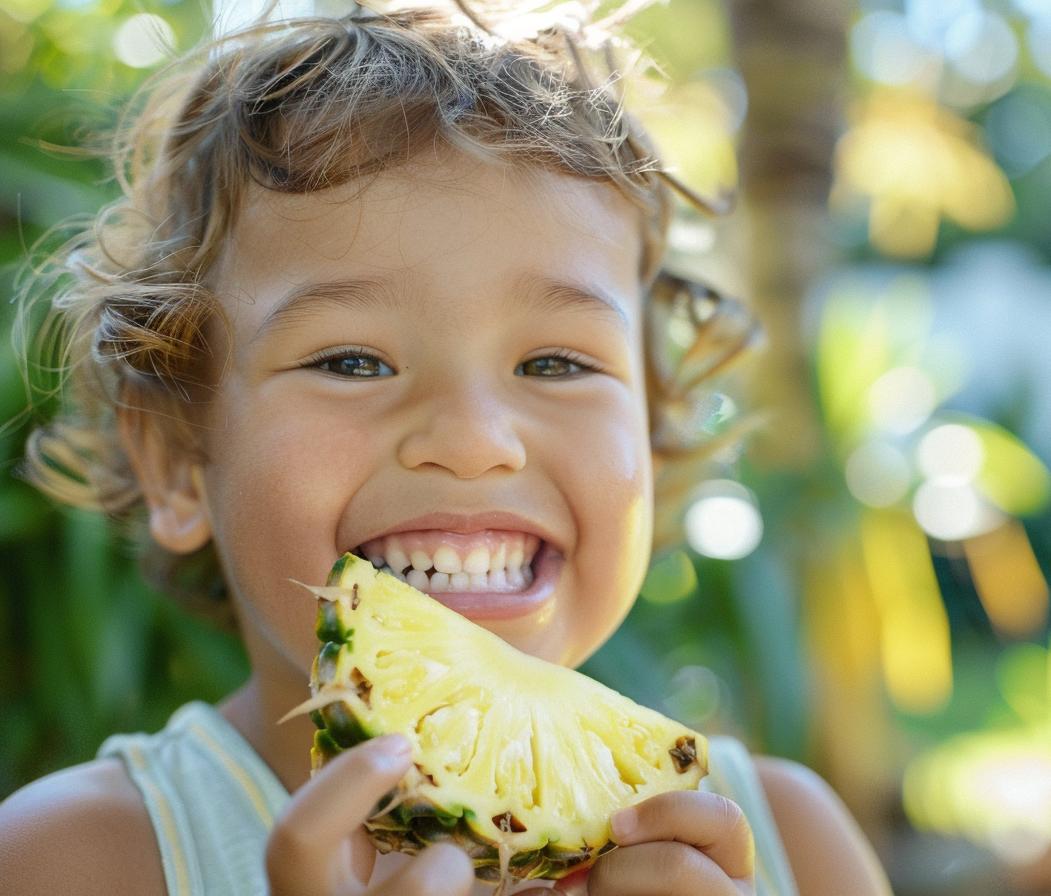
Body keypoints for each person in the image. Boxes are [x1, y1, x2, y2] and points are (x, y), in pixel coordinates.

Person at [0, 3, 894, 895]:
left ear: (653, 450)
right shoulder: (70, 861)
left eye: (553, 362)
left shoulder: (790, 848)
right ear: (174, 462)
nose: (473, 441)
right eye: (352, 361)